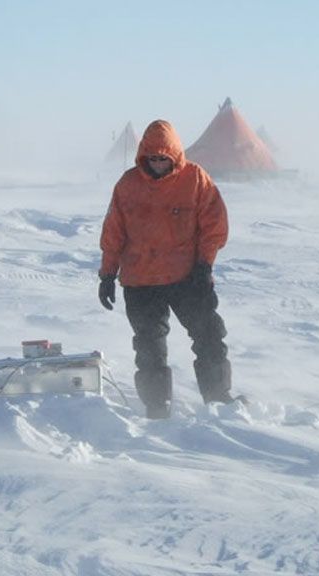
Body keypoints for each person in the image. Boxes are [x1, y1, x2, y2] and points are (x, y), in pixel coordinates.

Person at [98, 119, 236, 419]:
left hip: (187, 277)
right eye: (153, 158)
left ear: (175, 155)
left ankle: (218, 398)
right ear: (143, 156)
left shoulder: (195, 179)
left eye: (164, 158)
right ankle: (156, 407)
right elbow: (113, 233)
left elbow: (214, 225)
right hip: (141, 280)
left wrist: (204, 265)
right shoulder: (128, 185)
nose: (158, 163)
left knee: (209, 335)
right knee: (149, 350)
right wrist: (107, 274)